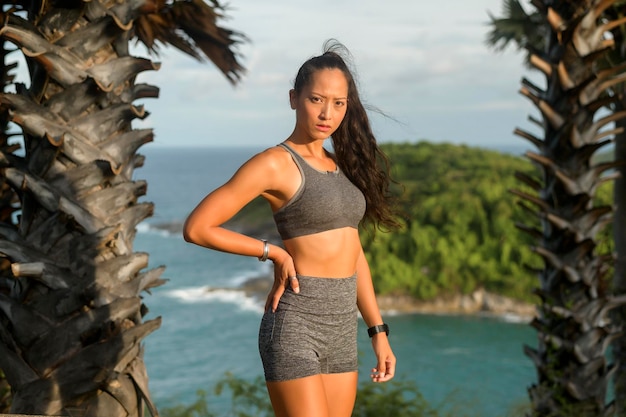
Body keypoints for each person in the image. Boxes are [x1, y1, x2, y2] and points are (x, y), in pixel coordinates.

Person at [183, 40, 399, 417]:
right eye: (316, 99)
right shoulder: (275, 164)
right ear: (293, 98)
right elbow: (198, 227)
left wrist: (377, 331)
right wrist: (273, 252)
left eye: (338, 103)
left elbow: (354, 254)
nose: (327, 112)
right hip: (296, 323)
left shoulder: (341, 166)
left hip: (342, 327)